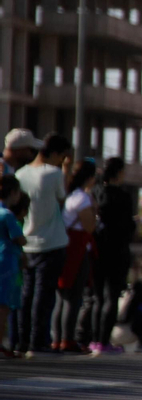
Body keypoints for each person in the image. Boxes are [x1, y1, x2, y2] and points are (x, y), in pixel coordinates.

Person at [17, 133, 71, 356]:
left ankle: (22, 340)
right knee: (44, 294)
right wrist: (65, 172)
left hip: (27, 240)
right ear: (56, 154)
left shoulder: (21, 174)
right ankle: (39, 341)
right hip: (52, 240)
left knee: (27, 294)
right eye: (62, 157)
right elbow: (62, 198)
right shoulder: (54, 173)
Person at [87, 158, 134, 355]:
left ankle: (94, 340)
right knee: (111, 297)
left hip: (96, 250)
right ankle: (105, 341)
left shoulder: (94, 192)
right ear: (117, 173)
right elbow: (128, 226)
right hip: (117, 251)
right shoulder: (123, 196)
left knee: (97, 298)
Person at [53, 159, 98, 352]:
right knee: (73, 297)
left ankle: (57, 339)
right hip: (77, 251)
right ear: (90, 178)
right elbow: (90, 226)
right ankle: (68, 339)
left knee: (62, 297)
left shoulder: (69, 195)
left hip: (64, 247)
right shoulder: (83, 198)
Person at [0, 176, 23, 357]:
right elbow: (18, 237)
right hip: (6, 261)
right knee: (3, 305)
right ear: (13, 193)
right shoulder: (8, 215)